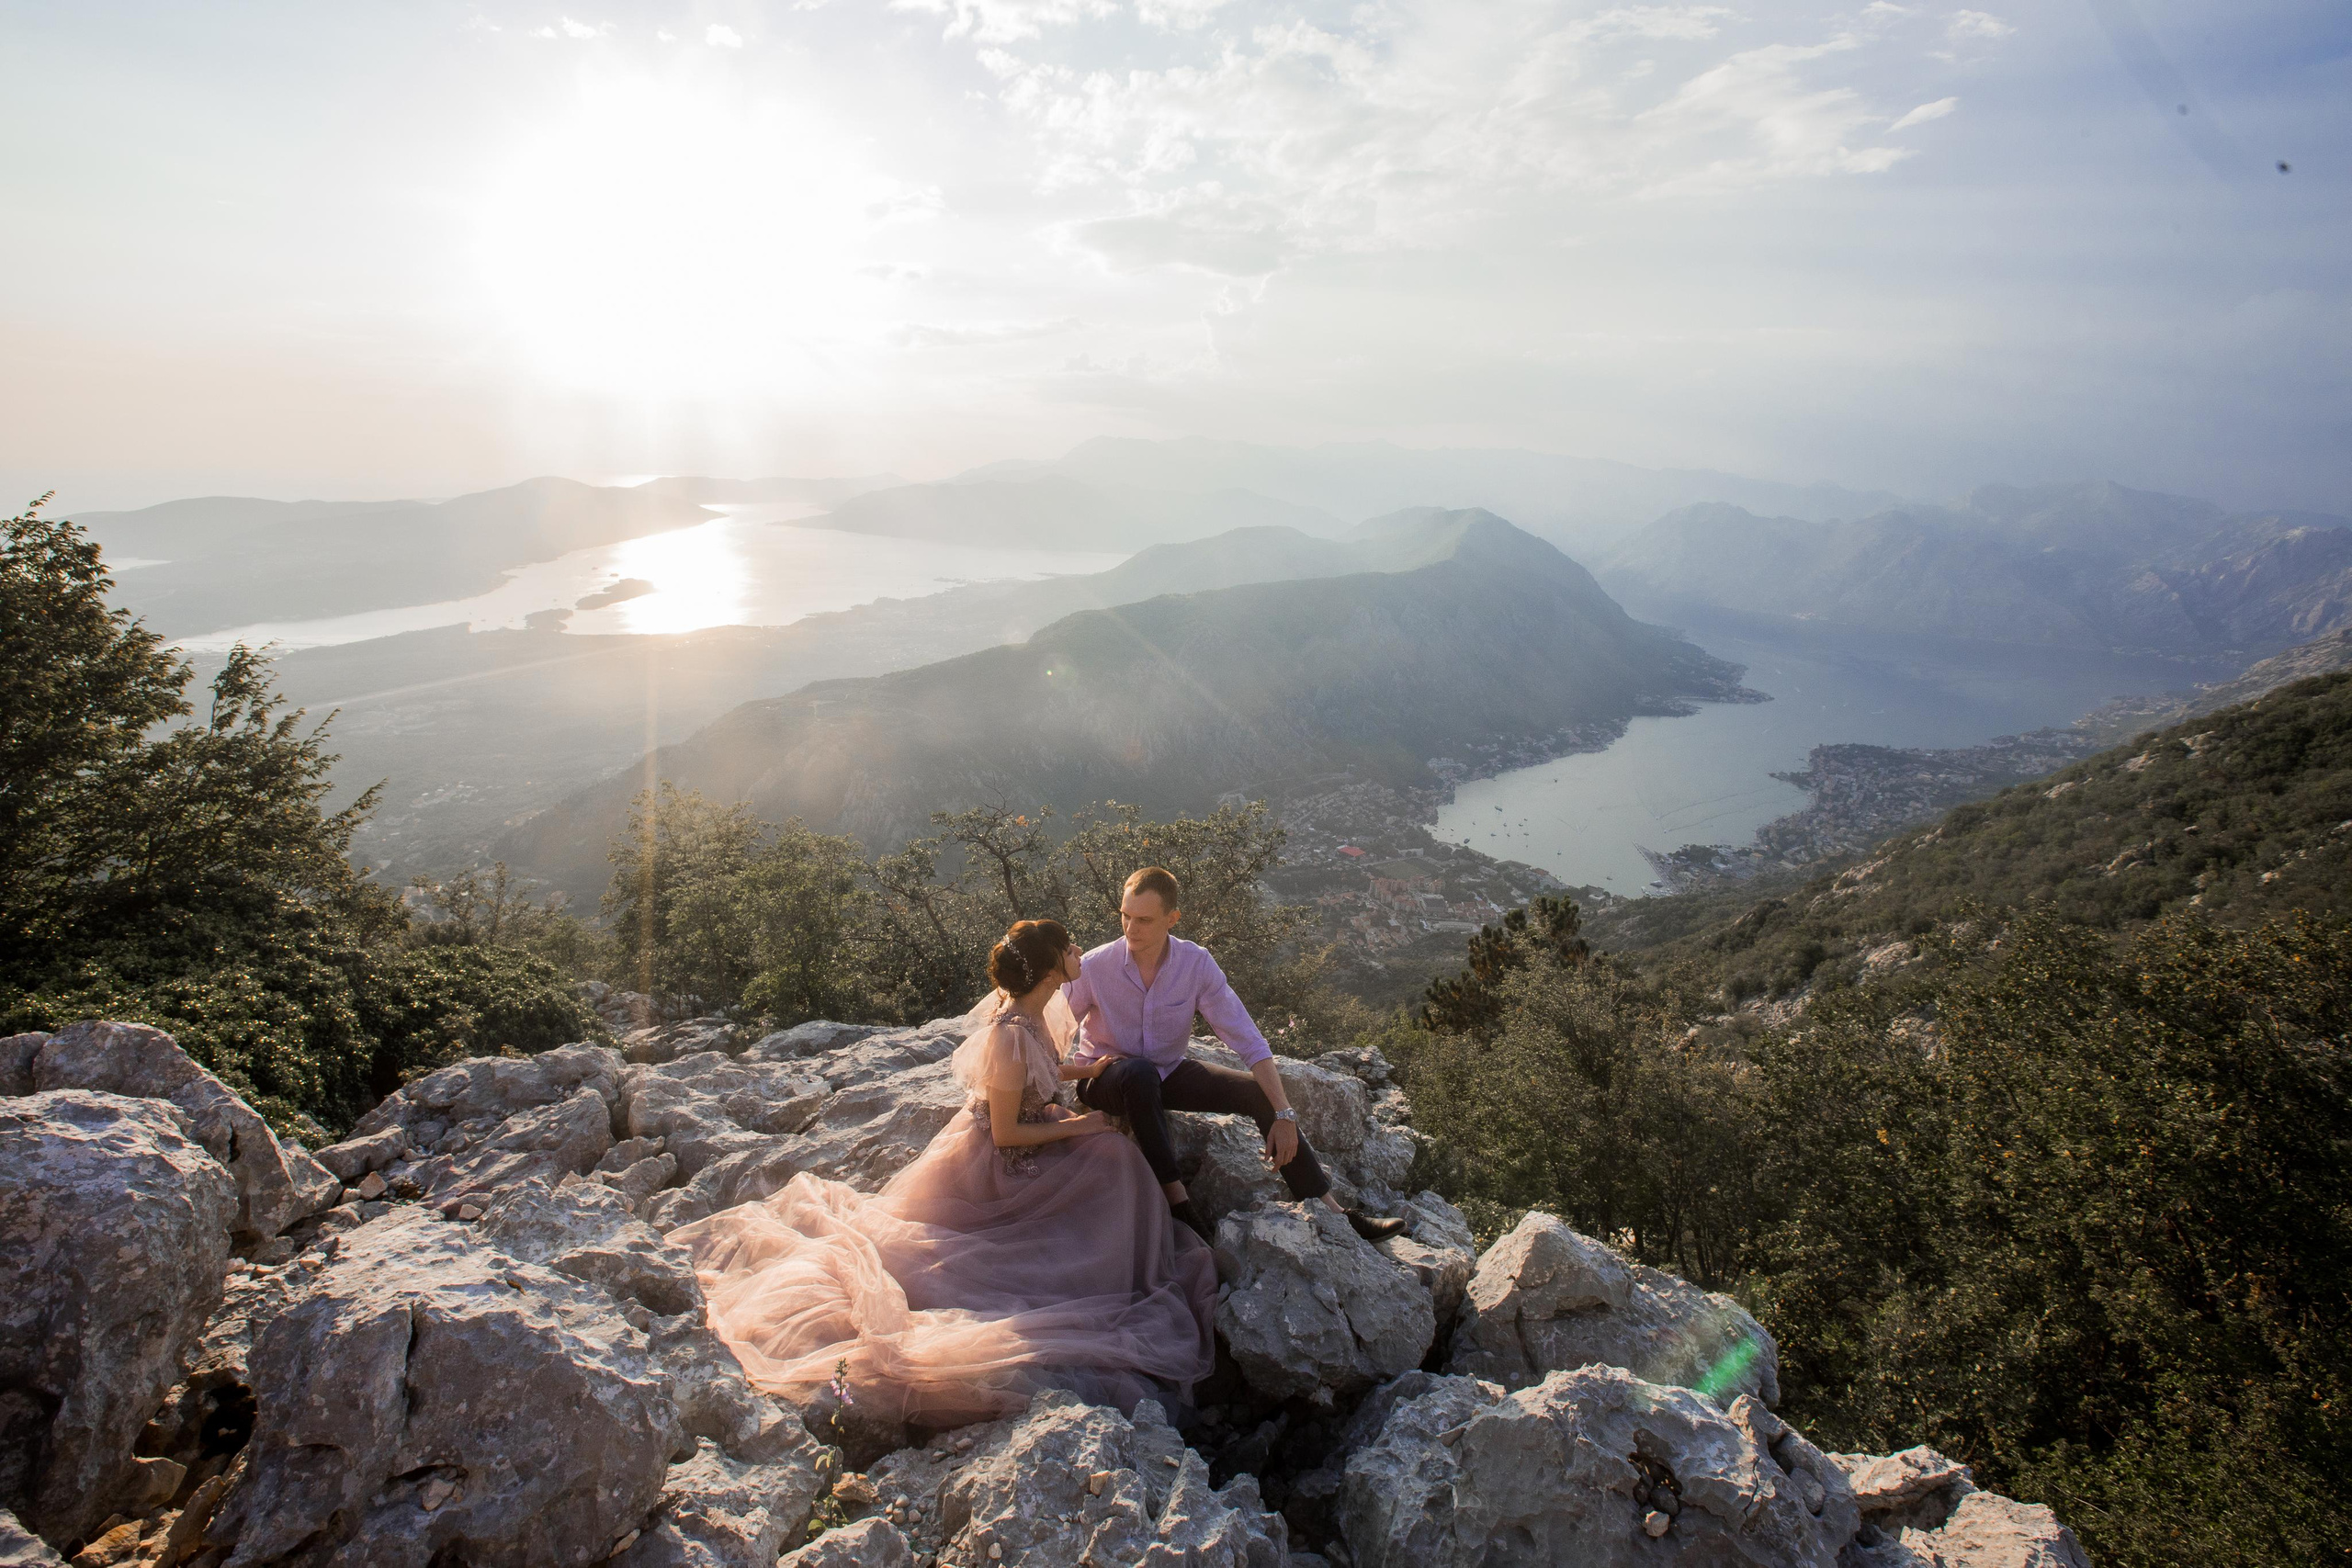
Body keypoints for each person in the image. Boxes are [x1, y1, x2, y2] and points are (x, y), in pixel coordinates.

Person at [668, 919, 1217, 1427]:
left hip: (1034, 1130)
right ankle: (1100, 1272)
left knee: (1116, 1160)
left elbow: (1044, 1068)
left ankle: (1114, 1260)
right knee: (1110, 1160)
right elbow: (1005, 1134)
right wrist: (1082, 1125)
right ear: (1051, 968)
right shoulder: (1008, 1033)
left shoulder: (1037, 1011)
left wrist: (1088, 1069)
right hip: (1000, 1164)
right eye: (1068, 947)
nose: (1080, 951)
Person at [1066, 866, 1408, 1246]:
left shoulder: (1195, 964)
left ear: (1172, 919)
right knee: (1139, 1073)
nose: (1131, 928)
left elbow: (1247, 1039)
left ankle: (1335, 1212)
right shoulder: (1094, 967)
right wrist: (1058, 1087)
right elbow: (1048, 1035)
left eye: (1144, 920)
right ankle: (1180, 1208)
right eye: (1126, 916)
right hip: (1104, 1078)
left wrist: (1284, 1114)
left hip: (1165, 1073)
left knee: (1256, 1093)